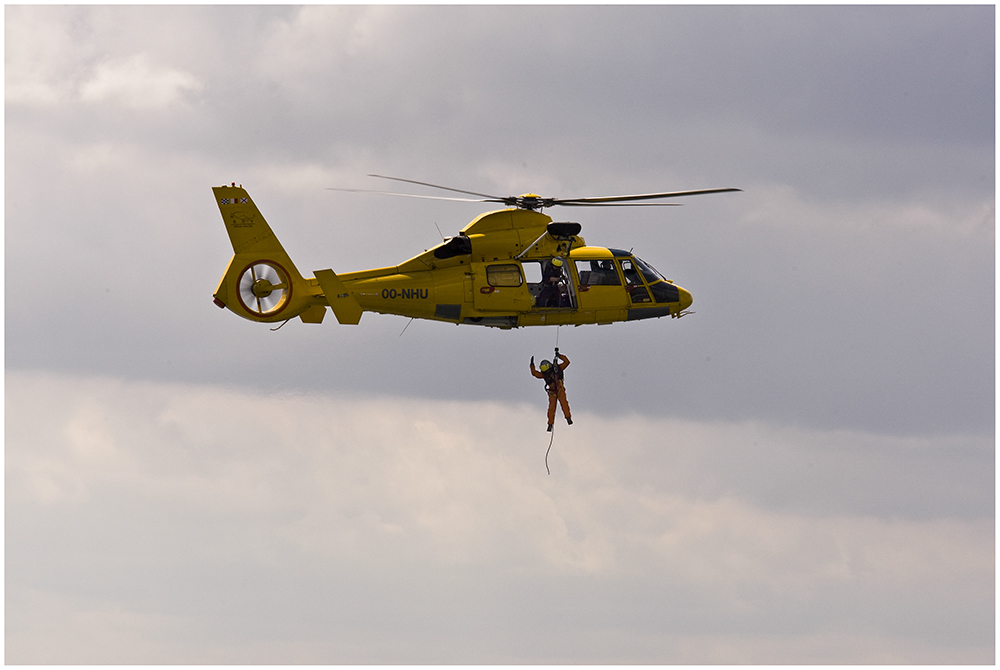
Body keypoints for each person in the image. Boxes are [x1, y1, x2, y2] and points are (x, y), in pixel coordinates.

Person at [530, 349, 572, 431]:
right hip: (552, 392)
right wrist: (532, 365)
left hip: (559, 389)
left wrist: (559, 356)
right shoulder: (545, 374)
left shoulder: (558, 368)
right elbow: (535, 373)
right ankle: (550, 424)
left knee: (564, 404)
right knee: (551, 408)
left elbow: (567, 362)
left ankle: (568, 418)